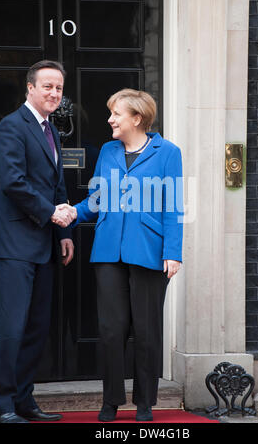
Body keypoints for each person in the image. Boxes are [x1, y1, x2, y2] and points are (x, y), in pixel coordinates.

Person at [71, 88, 183, 422]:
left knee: (147, 331)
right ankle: (111, 400)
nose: (110, 120)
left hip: (149, 250)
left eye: (116, 114)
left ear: (137, 118)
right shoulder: (107, 151)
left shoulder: (168, 152)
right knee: (111, 329)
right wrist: (70, 213)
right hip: (108, 251)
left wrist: (173, 252)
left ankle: (145, 402)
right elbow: (97, 199)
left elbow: (173, 206)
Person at [0, 60, 75, 423]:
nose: (54, 93)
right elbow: (13, 182)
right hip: (13, 244)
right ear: (30, 88)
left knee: (36, 328)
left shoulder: (52, 133)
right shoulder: (11, 126)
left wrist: (65, 234)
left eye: (58, 88)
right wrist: (51, 214)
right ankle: (2, 404)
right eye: (47, 87)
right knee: (12, 329)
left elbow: (57, 188)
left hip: (44, 244)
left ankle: (25, 400)